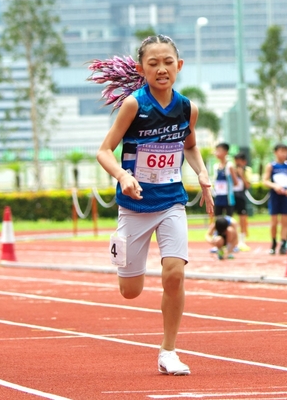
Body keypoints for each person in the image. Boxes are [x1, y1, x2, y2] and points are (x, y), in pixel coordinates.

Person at [93, 34, 214, 376]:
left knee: (174, 274)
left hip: (171, 201)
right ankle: (123, 253)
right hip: (134, 205)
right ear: (140, 68)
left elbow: (189, 145)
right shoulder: (134, 105)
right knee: (130, 291)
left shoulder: (187, 107)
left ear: (179, 65)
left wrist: (202, 173)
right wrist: (122, 176)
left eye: (168, 62)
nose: (162, 69)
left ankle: (169, 350)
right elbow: (104, 150)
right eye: (153, 63)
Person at [263, 143, 287, 255]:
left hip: (285, 197)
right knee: (274, 222)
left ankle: (283, 243)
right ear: (275, 152)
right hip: (275, 196)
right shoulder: (271, 166)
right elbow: (265, 180)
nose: (284, 154)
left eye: (286, 152)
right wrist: (275, 186)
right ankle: (274, 243)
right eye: (281, 151)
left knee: (285, 222)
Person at [213, 143, 239, 217]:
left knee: (229, 220)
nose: (217, 153)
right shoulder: (215, 167)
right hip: (218, 196)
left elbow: (236, 182)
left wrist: (228, 187)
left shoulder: (229, 166)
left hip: (228, 198)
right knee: (218, 219)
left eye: (219, 151)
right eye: (216, 151)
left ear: (225, 152)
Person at [233, 152, 252, 251]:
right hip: (232, 196)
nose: (237, 163)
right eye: (236, 161)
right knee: (230, 218)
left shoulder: (247, 170)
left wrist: (241, 175)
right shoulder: (231, 169)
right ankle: (231, 240)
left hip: (241, 196)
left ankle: (242, 241)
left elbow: (248, 185)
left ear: (244, 162)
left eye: (239, 161)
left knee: (242, 219)